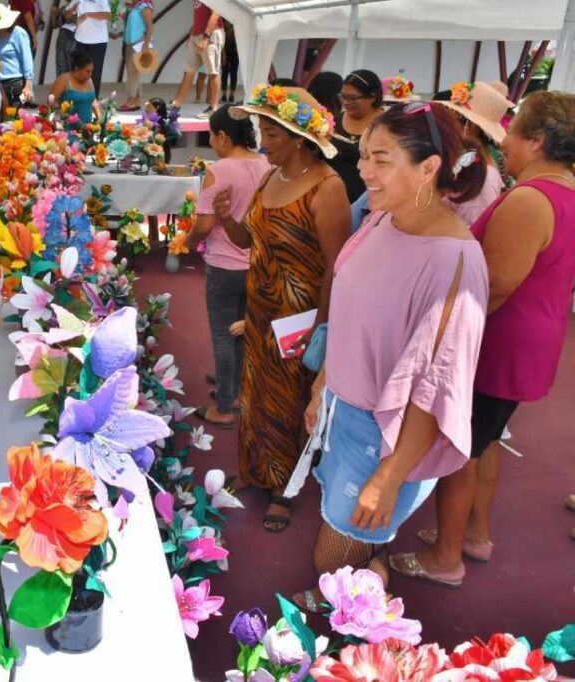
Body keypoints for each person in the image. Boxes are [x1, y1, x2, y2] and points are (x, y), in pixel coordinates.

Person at [288, 102, 490, 609]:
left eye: (381, 159)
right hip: (345, 410)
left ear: (429, 168)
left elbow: (435, 385)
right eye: (363, 156)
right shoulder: (384, 221)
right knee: (354, 533)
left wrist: (391, 473)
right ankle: (362, 585)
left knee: (332, 550)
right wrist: (323, 387)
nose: (363, 171)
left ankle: (361, 596)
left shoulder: (454, 262)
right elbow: (353, 317)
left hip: (387, 435)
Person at [393, 90, 575, 588]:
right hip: (528, 339)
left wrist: (443, 340)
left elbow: (493, 285)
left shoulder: (531, 198)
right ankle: (474, 533)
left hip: (500, 342)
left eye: (514, 133)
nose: (506, 142)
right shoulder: (563, 192)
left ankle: (446, 558)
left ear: (535, 141)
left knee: (459, 447)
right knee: (483, 440)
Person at [216, 86, 350, 532]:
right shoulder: (272, 177)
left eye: (271, 132)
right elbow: (248, 241)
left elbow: (337, 266)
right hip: (260, 309)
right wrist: (224, 219)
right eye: (261, 130)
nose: (262, 140)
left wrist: (322, 325)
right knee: (255, 395)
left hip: (300, 317)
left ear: (298, 138)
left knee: (291, 401)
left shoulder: (328, 187)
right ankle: (257, 471)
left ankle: (284, 488)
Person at [185, 106, 270, 428]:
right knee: (243, 331)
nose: (210, 141)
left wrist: (188, 242)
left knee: (223, 334)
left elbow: (205, 225)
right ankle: (233, 386)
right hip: (256, 262)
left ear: (222, 136)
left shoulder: (219, 169)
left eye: (211, 134)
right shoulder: (266, 164)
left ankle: (224, 405)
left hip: (224, 264)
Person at [432, 81, 513, 224]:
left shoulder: (483, 180)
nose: (441, 125)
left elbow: (471, 231)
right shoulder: (467, 162)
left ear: (470, 127)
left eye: (449, 119)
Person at [330, 69, 382, 202]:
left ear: (372, 97)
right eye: (343, 97)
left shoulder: (386, 126)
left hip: (366, 198)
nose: (346, 102)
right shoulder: (334, 121)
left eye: (352, 98)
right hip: (331, 195)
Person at [171, 1, 223, 119]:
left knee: (213, 72)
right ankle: (177, 105)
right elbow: (198, 17)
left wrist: (205, 37)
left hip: (211, 34)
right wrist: (192, 35)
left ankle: (214, 108)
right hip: (196, 35)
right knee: (188, 71)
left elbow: (216, 14)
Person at [0, 3, 34, 107]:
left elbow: (26, 58)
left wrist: (28, 85)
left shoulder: (18, 33)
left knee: (13, 118)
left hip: (15, 83)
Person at [119, 0, 154, 111]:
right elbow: (131, 26)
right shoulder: (133, 7)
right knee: (133, 71)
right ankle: (136, 99)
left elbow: (150, 26)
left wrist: (147, 43)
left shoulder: (144, 6)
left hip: (139, 42)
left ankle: (132, 100)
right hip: (130, 42)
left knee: (133, 71)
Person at [49, 51, 100, 124]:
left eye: (92, 71)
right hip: (66, 128)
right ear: (76, 69)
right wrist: (65, 116)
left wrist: (100, 119)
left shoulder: (89, 81)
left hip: (86, 129)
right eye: (87, 71)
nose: (90, 74)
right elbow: (51, 102)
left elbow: (93, 101)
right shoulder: (64, 80)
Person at [74, 0, 110, 96]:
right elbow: (68, 12)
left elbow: (108, 15)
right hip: (80, 39)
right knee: (79, 71)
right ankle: (79, 100)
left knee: (94, 73)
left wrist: (87, 15)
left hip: (97, 41)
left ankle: (92, 101)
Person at [55, 0, 79, 78]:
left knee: (73, 67)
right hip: (62, 38)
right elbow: (56, 24)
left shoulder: (87, 9)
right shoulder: (64, 8)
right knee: (61, 66)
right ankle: (62, 88)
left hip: (76, 40)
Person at [221, 20, 238, 103]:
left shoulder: (237, 26)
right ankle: (224, 94)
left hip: (235, 51)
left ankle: (231, 94)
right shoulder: (223, 25)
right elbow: (222, 41)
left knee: (233, 73)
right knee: (225, 73)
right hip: (226, 51)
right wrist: (223, 53)